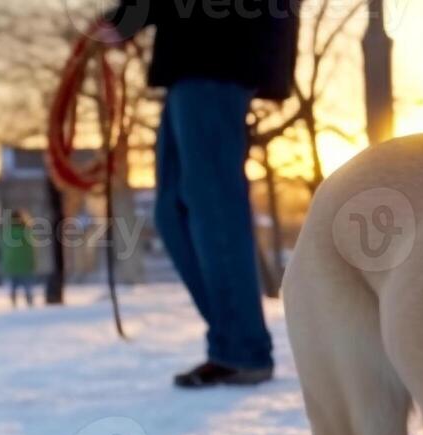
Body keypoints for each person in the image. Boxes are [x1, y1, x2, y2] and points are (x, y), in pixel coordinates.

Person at [100, 1, 299, 388]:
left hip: (218, 57)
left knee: (213, 209)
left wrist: (128, 18)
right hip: (191, 60)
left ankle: (242, 349)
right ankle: (233, 343)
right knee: (176, 212)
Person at [0, 210, 38, 308]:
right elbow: (31, 249)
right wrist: (33, 262)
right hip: (25, 264)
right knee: (28, 287)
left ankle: (14, 305)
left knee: (12, 288)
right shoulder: (27, 232)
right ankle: (30, 304)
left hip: (11, 264)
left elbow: (2, 249)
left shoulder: (6, 232)